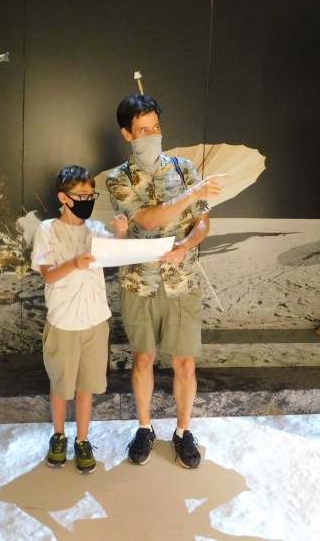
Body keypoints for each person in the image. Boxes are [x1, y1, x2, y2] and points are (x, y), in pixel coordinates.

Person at [105, 94, 225, 469]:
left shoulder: (184, 168)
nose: (152, 135)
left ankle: (183, 432)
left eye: (156, 127)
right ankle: (144, 428)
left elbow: (202, 221)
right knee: (144, 358)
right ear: (127, 134)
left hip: (183, 282)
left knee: (185, 361)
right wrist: (192, 194)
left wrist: (186, 245)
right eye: (143, 130)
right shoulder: (118, 178)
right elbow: (147, 220)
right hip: (139, 283)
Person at [31, 165, 128, 474]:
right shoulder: (47, 229)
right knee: (61, 385)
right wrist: (74, 263)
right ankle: (58, 436)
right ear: (64, 197)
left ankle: (83, 440)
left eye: (91, 195)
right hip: (63, 322)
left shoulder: (95, 229)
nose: (87, 200)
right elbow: (48, 275)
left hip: (95, 320)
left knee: (87, 386)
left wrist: (121, 232)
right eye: (82, 195)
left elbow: (117, 251)